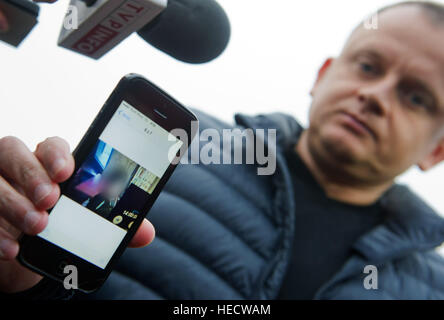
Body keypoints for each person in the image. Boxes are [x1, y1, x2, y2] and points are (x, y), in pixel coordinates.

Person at [2, 0, 444, 299]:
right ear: (322, 75)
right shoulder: (178, 149)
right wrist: (17, 283)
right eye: (367, 66)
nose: (376, 95)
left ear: (437, 150)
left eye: (417, 97)